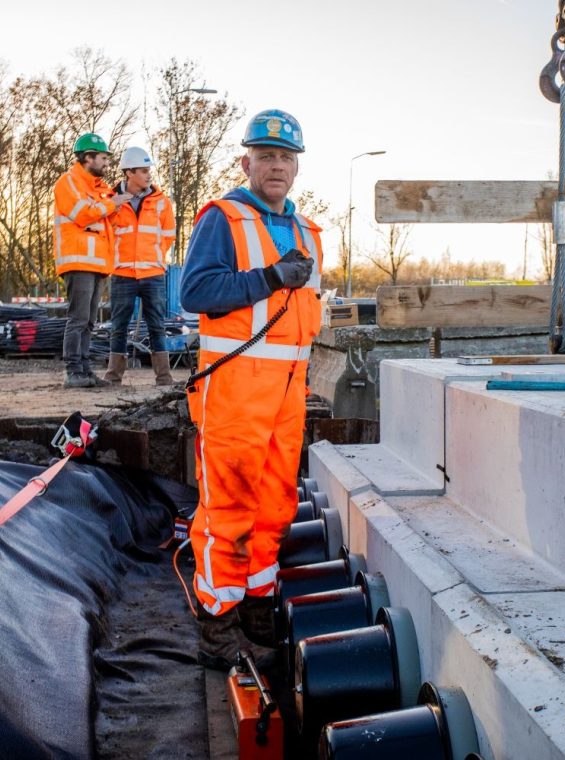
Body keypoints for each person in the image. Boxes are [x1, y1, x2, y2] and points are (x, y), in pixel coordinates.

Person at [180, 109, 322, 669]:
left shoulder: (307, 230)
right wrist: (267, 277)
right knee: (230, 505)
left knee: (275, 502)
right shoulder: (224, 218)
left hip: (287, 390)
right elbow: (195, 291)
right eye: (266, 156)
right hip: (238, 387)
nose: (277, 166)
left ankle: (258, 604)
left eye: (286, 158)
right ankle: (217, 621)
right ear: (247, 162)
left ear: (296, 168)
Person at [53, 133, 130, 388]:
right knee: (78, 318)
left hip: (97, 263)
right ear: (88, 158)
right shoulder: (68, 182)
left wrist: (115, 205)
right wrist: (111, 205)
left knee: (88, 320)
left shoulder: (99, 189)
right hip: (78, 261)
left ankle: (84, 370)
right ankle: (73, 371)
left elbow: (109, 222)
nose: (106, 164)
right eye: (103, 158)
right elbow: (82, 215)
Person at [104, 146, 176, 386]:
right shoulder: (110, 201)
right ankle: (113, 377)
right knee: (119, 326)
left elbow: (168, 236)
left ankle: (164, 377)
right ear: (129, 173)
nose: (148, 175)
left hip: (153, 273)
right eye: (144, 171)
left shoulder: (162, 202)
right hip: (122, 273)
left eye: (148, 171)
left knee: (157, 324)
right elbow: (104, 233)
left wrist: (153, 257)